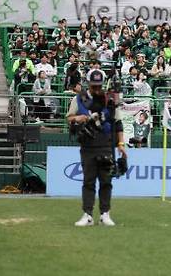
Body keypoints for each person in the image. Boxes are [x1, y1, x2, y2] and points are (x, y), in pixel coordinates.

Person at [66, 69, 127, 227]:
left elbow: (118, 123)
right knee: (88, 181)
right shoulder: (79, 99)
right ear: (88, 84)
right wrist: (78, 118)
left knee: (106, 180)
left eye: (99, 86)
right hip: (87, 144)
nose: (97, 89)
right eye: (94, 86)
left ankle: (105, 214)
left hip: (106, 144)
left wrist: (121, 144)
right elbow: (69, 118)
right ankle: (87, 214)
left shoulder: (110, 100)